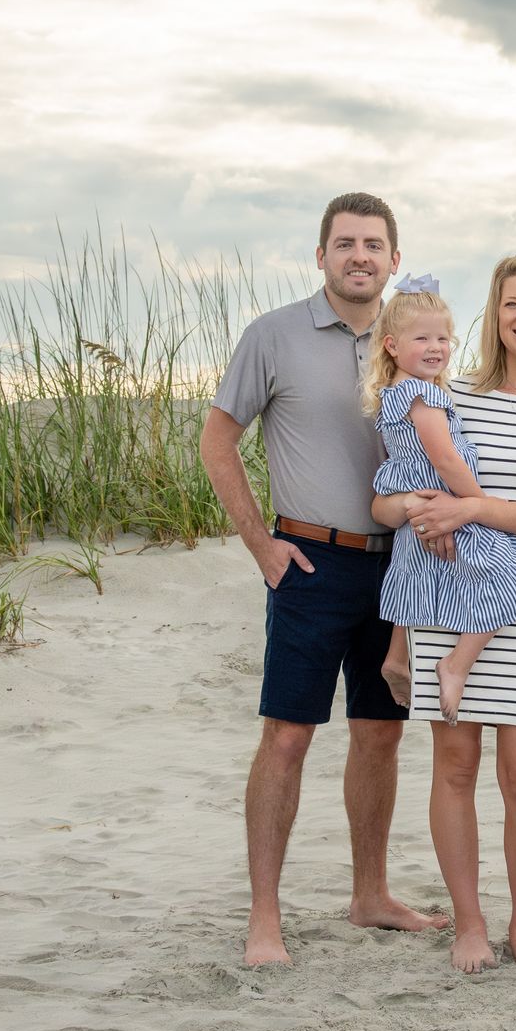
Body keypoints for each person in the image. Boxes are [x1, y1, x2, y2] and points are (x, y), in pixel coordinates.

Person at [199, 191, 448, 967]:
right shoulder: (273, 335)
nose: (360, 256)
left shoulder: (412, 340)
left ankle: (369, 894)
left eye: (374, 244)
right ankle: (264, 917)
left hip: (400, 566)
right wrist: (262, 548)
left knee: (380, 734)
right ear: (321, 256)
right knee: (287, 736)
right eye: (345, 243)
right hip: (309, 561)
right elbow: (217, 442)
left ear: (395, 260)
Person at [373, 254, 516, 974]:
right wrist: (413, 512)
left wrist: (470, 507)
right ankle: (469, 925)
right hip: (447, 588)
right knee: (453, 764)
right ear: (493, 316)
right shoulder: (454, 395)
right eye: (511, 304)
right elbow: (387, 503)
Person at [364, 278, 516, 721]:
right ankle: (455, 665)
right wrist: (480, 507)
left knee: (414, 578)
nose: (436, 347)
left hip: (415, 511)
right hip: (449, 502)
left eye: (443, 337)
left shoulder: (395, 393)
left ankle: (397, 657)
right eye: (422, 338)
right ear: (392, 346)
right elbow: (444, 456)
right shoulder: (424, 394)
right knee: (512, 577)